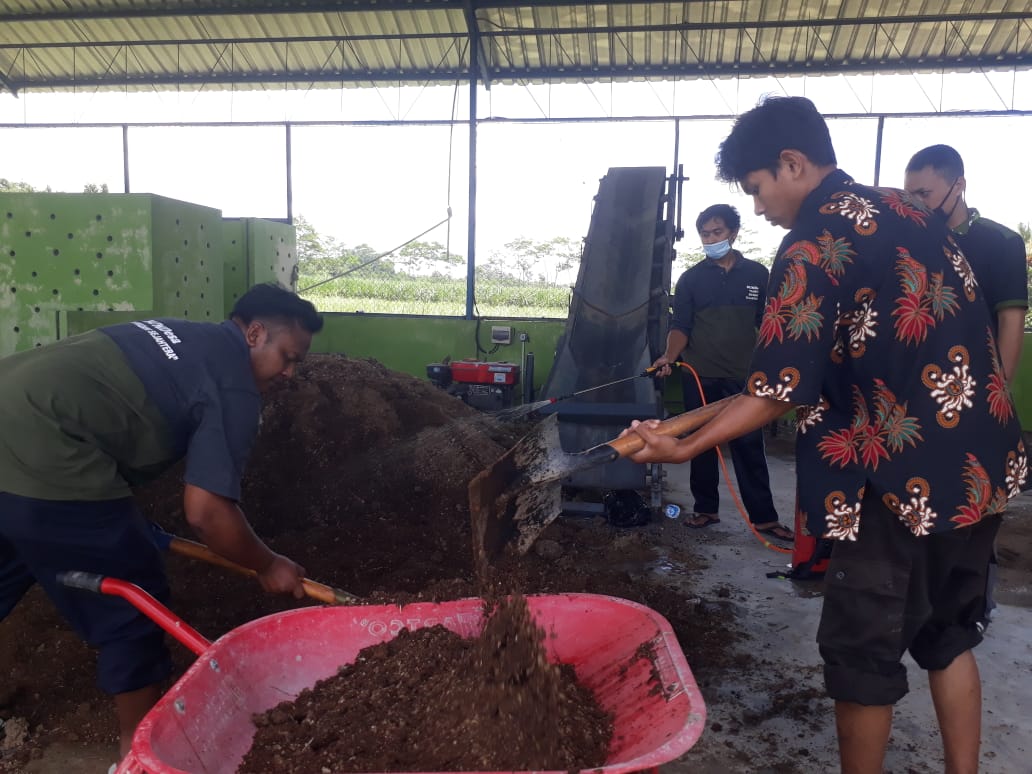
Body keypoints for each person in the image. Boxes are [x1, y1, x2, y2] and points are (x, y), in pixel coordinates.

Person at [622, 96, 1025, 774]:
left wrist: (682, 443)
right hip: (980, 469)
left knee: (861, 662)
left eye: (756, 190)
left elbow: (777, 390)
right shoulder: (909, 213)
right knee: (949, 637)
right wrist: (689, 424)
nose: (756, 209)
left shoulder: (813, 245)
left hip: (897, 482)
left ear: (792, 164)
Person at [0, 282, 324, 760]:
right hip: (49, 447)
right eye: (288, 357)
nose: (291, 373)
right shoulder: (233, 381)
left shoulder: (184, 336)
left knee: (23, 548)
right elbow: (207, 512)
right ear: (254, 333)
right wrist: (267, 563)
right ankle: (140, 759)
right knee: (135, 601)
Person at [653, 203, 791, 540]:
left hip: (744, 379)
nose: (710, 239)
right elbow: (680, 325)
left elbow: (768, 324)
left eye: (717, 232)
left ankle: (765, 519)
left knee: (748, 445)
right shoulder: (691, 280)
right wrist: (669, 356)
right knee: (700, 445)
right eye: (705, 233)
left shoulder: (758, 276)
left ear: (732, 233)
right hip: (699, 376)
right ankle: (705, 510)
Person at [904, 144, 1028, 384]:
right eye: (910, 196)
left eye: (924, 194)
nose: (916, 204)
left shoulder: (1001, 243)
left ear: (959, 186)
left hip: (973, 384)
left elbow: (1010, 323)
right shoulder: (906, 242)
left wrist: (997, 395)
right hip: (913, 387)